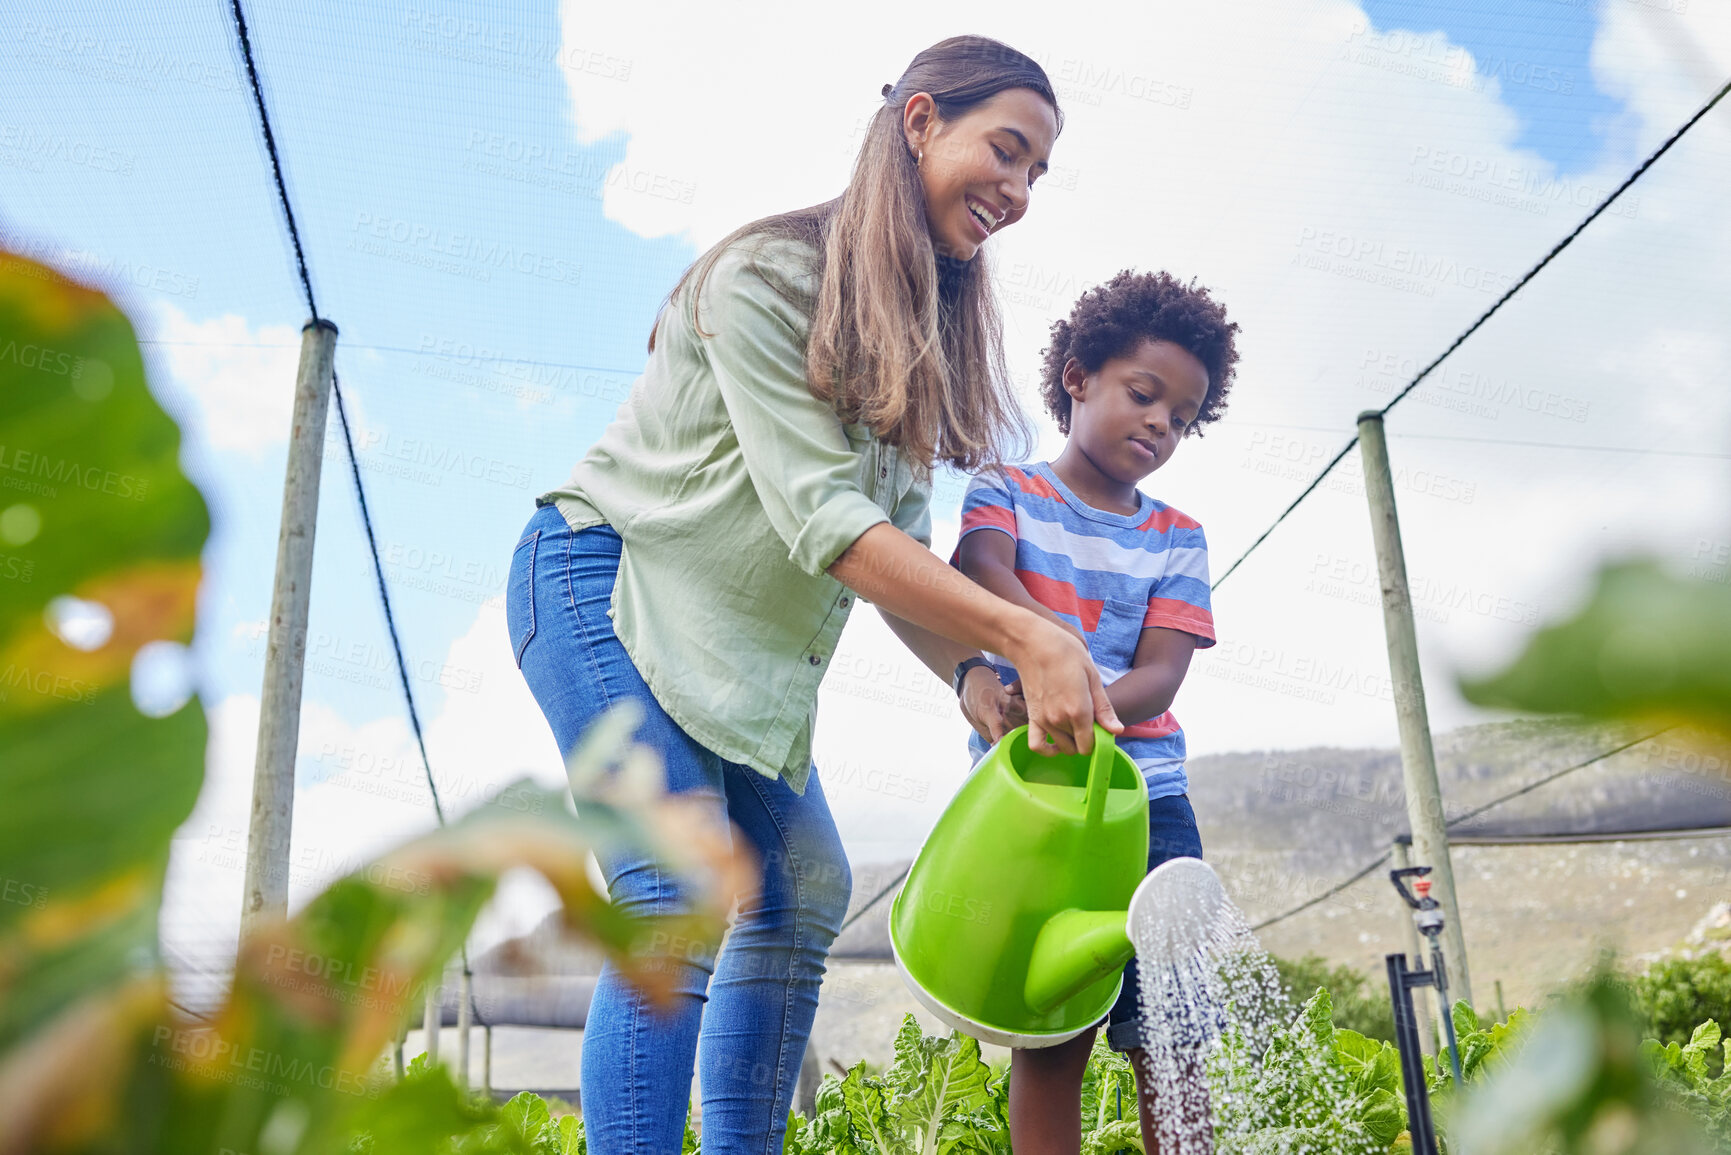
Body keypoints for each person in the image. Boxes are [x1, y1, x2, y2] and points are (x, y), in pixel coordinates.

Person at [507, 36, 1116, 1153]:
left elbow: (899, 555)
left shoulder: (915, 337)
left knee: (804, 878)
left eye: (1040, 174)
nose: (1020, 191)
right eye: (1008, 151)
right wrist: (1028, 632)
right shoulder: (768, 278)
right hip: (604, 579)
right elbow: (828, 527)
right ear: (922, 121)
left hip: (724, 647)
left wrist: (975, 672)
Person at [952, 270, 1240, 1154]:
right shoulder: (1001, 490)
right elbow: (979, 579)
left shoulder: (1176, 536)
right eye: (1142, 394)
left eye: (1180, 417)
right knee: (1051, 1028)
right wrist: (1029, 675)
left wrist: (1081, 698)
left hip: (1148, 801)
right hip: (1033, 808)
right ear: (1077, 378)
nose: (1159, 423)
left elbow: (1161, 674)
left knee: (1174, 1032)